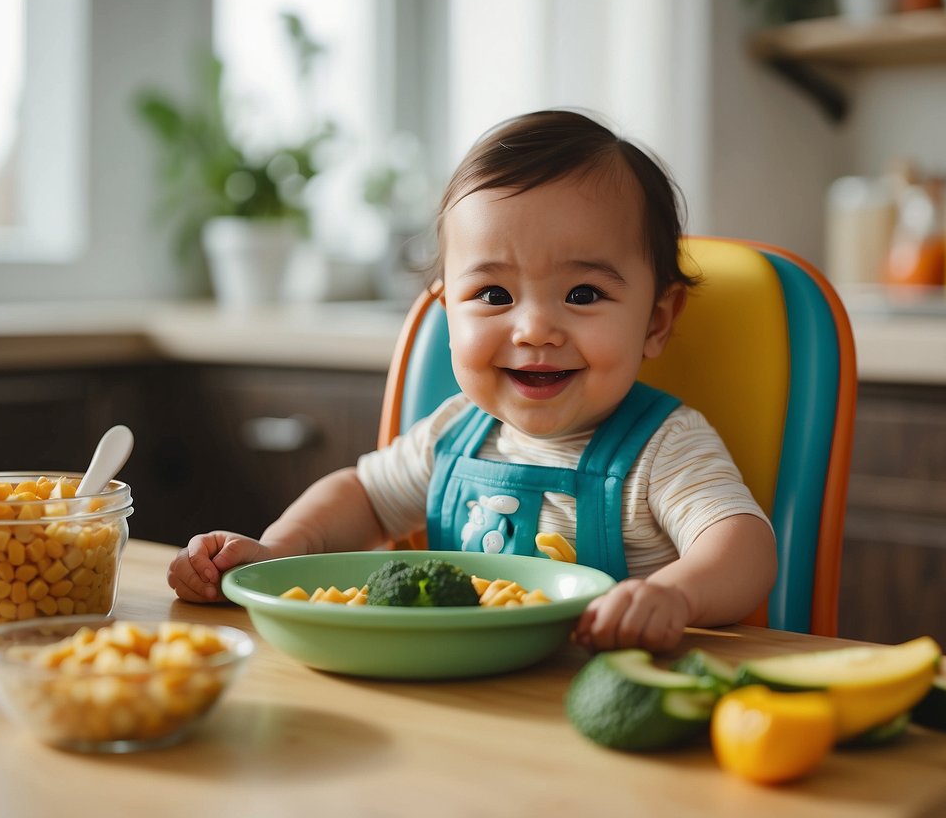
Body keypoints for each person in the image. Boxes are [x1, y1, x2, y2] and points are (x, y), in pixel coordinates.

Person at [168, 109, 777, 652]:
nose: (535, 328)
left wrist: (676, 595)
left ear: (656, 320)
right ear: (447, 315)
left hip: (597, 703)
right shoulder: (454, 432)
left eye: (583, 293)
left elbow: (743, 547)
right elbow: (360, 495)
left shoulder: (665, 449)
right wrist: (279, 551)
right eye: (493, 294)